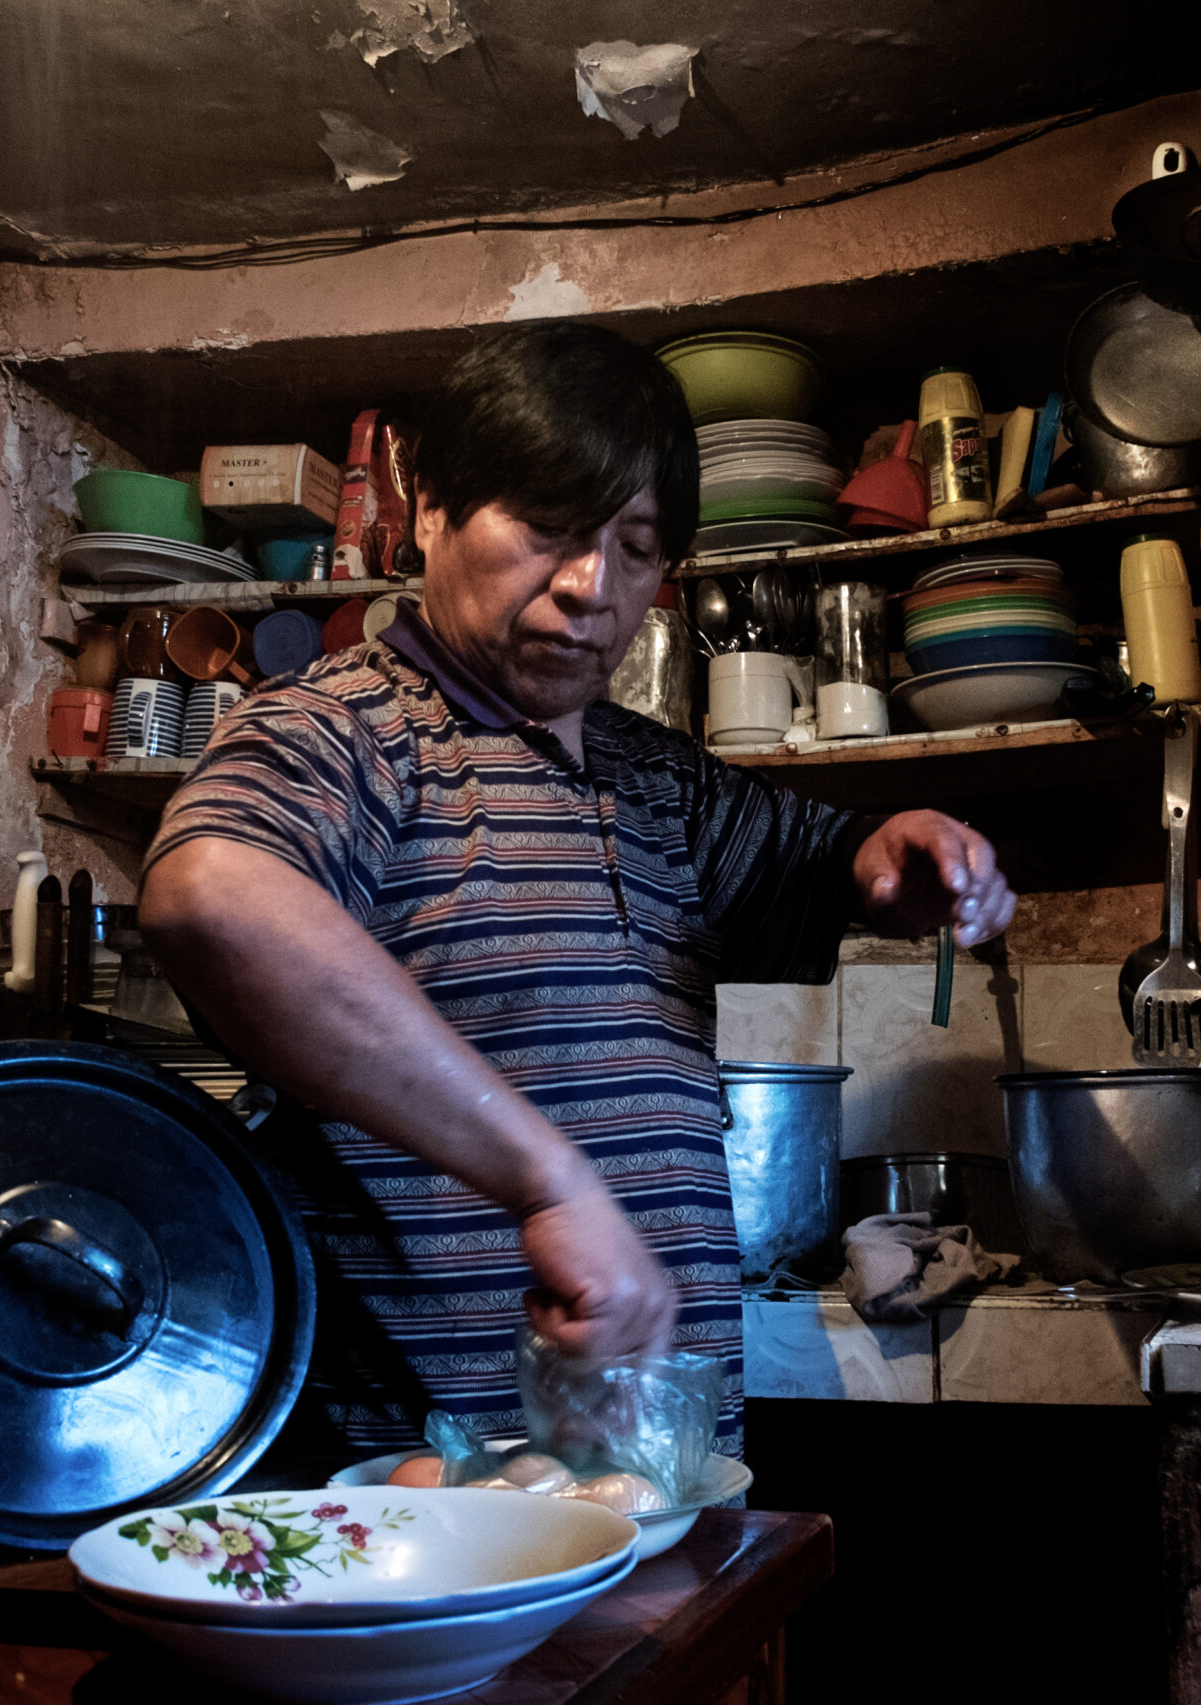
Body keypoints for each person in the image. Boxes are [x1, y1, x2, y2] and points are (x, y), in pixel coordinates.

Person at [141, 321, 1014, 1452]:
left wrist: (905, 858)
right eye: (547, 526)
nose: (591, 585)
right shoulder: (348, 727)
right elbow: (210, 895)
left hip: (657, 1479)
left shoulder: (655, 779)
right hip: (433, 1509)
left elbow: (837, 860)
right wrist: (551, 1184)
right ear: (432, 504)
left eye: (637, 545)